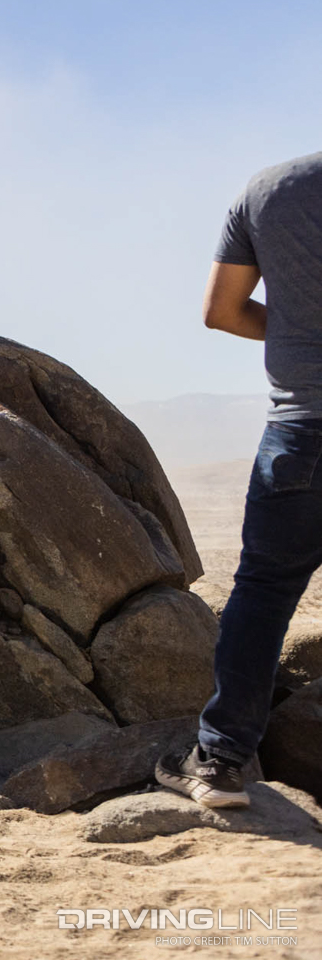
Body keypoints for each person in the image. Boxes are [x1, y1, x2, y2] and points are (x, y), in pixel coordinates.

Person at [156, 152, 322, 810]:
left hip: (301, 432)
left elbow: (222, 310)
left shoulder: (267, 191)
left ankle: (220, 763)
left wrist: (297, 330)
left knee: (261, 595)